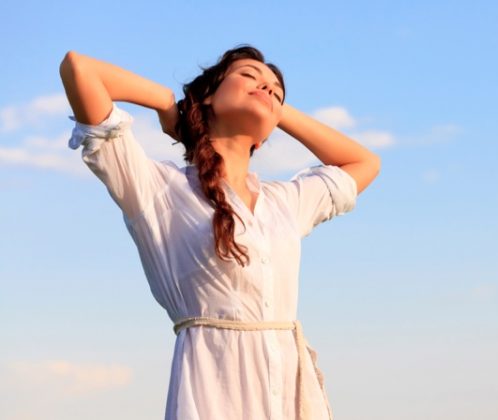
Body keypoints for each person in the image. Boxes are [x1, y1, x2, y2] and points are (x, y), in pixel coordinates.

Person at [59, 44, 380, 420]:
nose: (267, 89)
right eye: (248, 76)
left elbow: (364, 162)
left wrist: (274, 109)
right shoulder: (157, 188)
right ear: (207, 96)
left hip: (289, 398)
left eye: (276, 89)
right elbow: (79, 69)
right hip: (213, 394)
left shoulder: (285, 202)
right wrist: (167, 103)